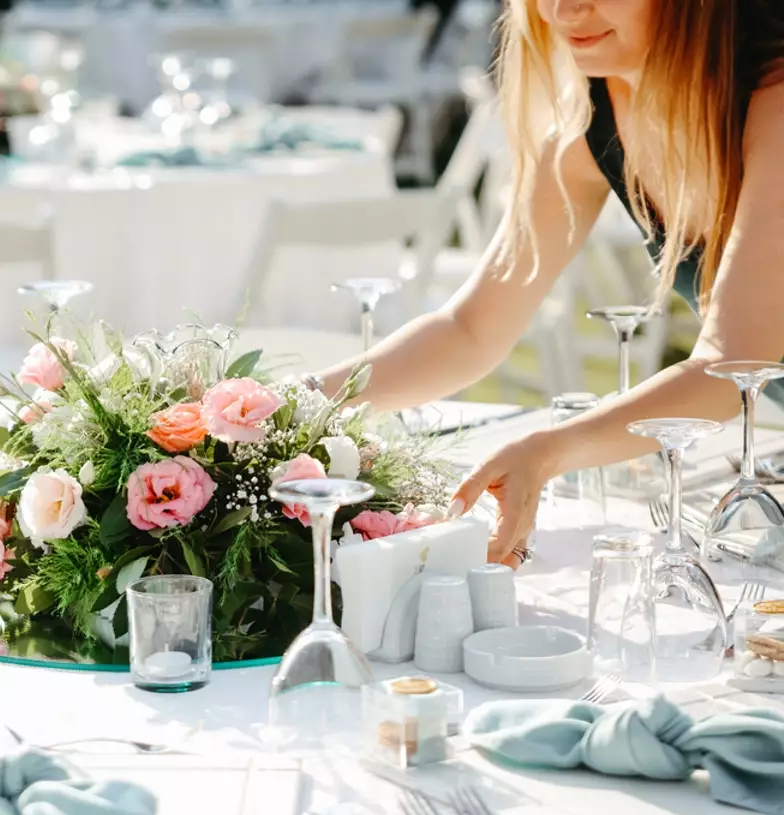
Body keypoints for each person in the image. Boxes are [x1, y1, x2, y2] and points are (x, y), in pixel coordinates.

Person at [308, 0, 784, 569]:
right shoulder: (593, 121)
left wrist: (548, 451)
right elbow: (470, 328)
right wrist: (299, 402)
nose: (563, 9)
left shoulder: (774, 100)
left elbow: (727, 368)